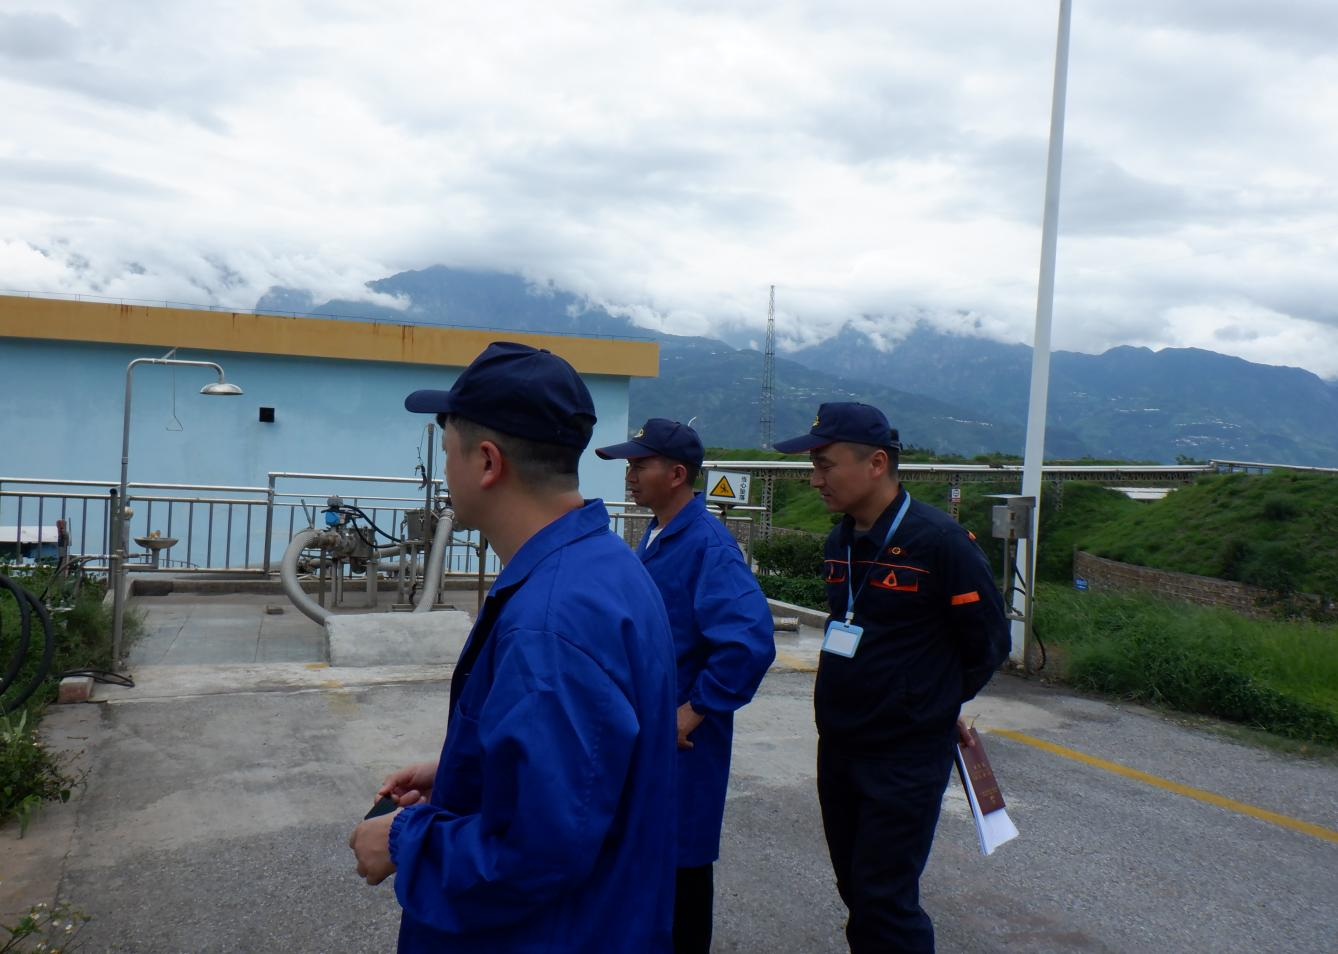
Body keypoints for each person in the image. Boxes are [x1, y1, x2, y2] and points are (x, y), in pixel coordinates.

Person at [348, 341, 678, 953]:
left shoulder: (550, 621)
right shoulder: (606, 565)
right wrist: (464, 773)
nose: (445, 471)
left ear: (486, 462)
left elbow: (540, 848)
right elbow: (588, 768)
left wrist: (402, 841)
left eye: (447, 450)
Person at [773, 401, 1010, 954]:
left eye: (826, 465)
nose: (815, 480)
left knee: (885, 899)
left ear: (876, 463)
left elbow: (988, 642)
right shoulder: (840, 541)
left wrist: (930, 702)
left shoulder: (940, 543)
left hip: (904, 755)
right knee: (857, 890)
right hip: (840, 744)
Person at [595, 418, 775, 954]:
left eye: (640, 465)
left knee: (682, 866)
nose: (630, 475)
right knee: (650, 859)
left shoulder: (707, 545)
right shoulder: (659, 532)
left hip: (685, 743)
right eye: (629, 465)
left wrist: (694, 709)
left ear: (677, 474)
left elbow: (749, 641)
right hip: (650, 732)